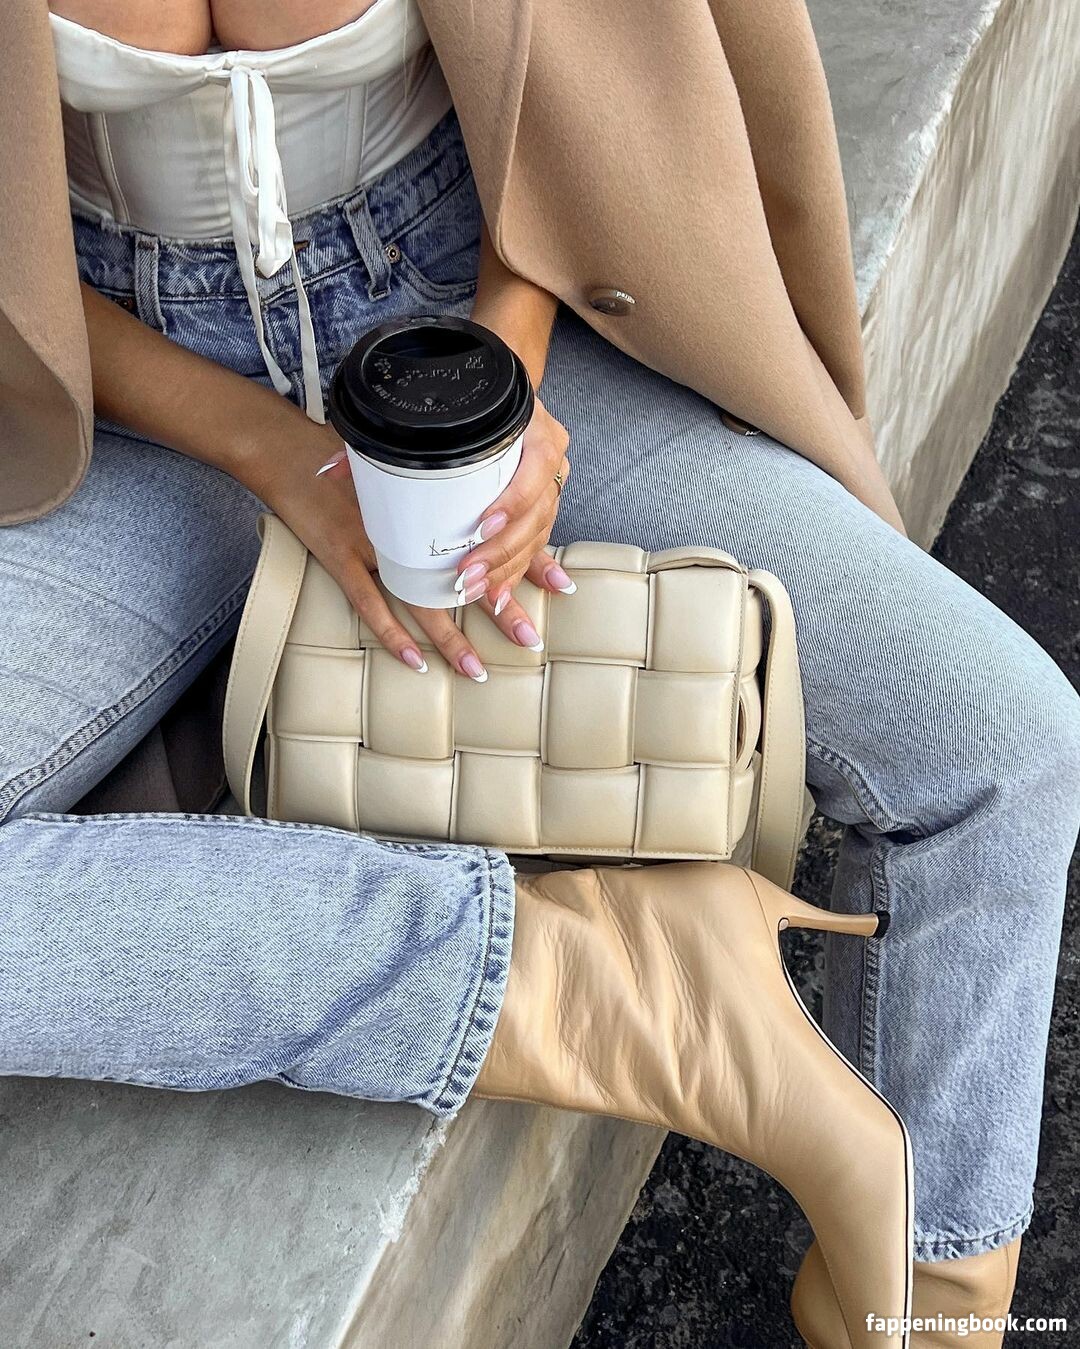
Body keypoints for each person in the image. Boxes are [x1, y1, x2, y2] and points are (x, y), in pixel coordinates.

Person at [1, 2, 1077, 1344]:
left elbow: (568, 62)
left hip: (462, 303)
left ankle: (928, 1311)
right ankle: (595, 988)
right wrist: (271, 446)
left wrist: (503, 373)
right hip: (107, 407)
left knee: (999, 742)